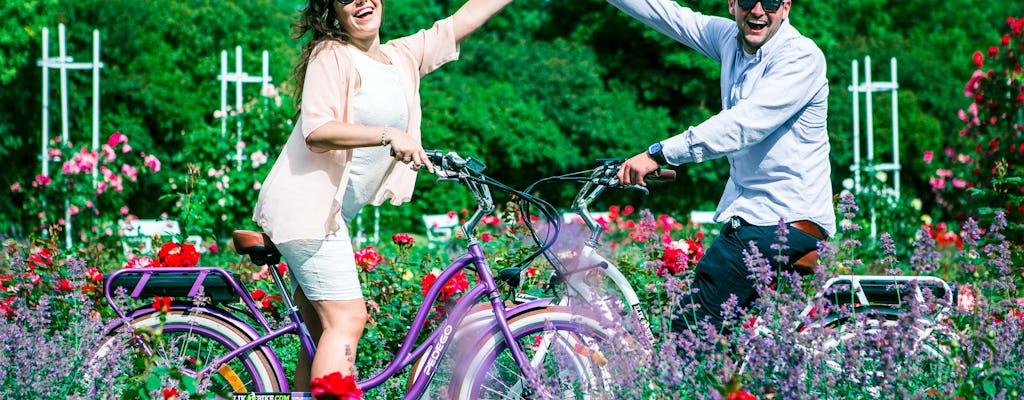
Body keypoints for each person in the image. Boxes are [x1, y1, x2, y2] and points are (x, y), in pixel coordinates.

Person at [253, 0, 513, 389]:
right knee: (347, 320)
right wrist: (388, 135)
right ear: (333, 11)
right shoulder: (332, 54)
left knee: (320, 336)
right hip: (304, 211)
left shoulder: (401, 57)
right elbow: (318, 129)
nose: (361, 0)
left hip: (325, 216)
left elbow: (461, 21)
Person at [609, 0, 836, 332]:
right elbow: (670, 16)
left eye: (771, 1)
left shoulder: (800, 57)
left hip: (783, 219)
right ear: (732, 4)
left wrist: (658, 154)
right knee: (724, 339)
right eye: (747, 1)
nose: (758, 10)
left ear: (786, 7)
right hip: (754, 218)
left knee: (689, 332)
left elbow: (743, 125)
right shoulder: (729, 38)